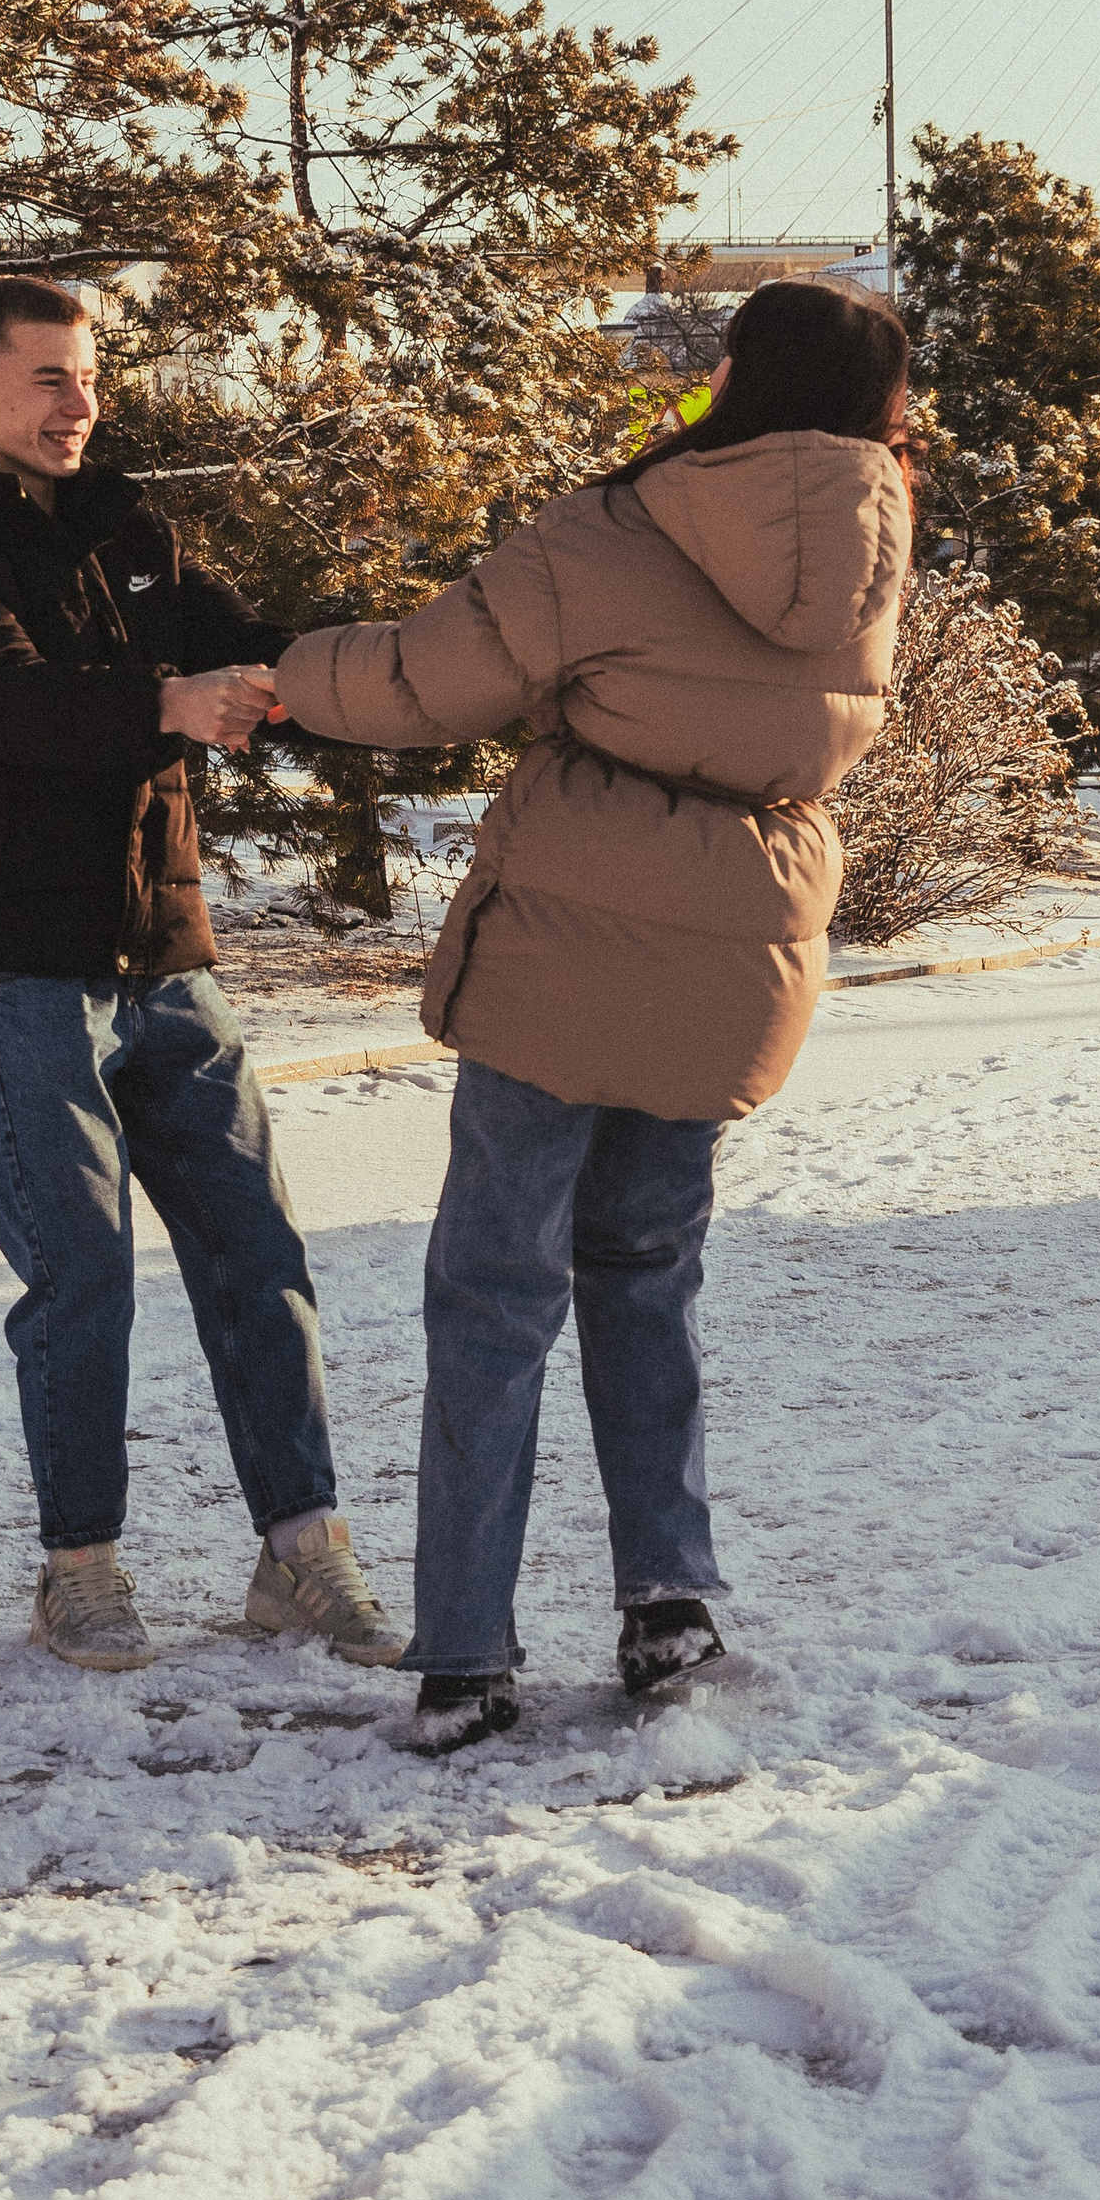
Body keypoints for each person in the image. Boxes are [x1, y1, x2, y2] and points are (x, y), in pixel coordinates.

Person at [265, 281, 913, 1752]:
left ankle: (469, 1652)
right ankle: (668, 1601)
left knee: (495, 1292)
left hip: (565, 951)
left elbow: (428, 679)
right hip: (733, 953)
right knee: (646, 1278)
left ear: (736, 373)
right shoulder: (876, 546)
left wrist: (277, 673)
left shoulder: (620, 528)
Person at [0, 275, 403, 1675]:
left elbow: (269, 654)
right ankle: (80, 1570)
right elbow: (2, 704)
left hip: (167, 958)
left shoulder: (133, 536)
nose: (79, 402)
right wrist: (162, 700)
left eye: (86, 376)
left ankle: (303, 1556)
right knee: (83, 1275)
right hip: (21, 972)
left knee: (259, 1254)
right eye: (46, 377)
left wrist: (426, 671)